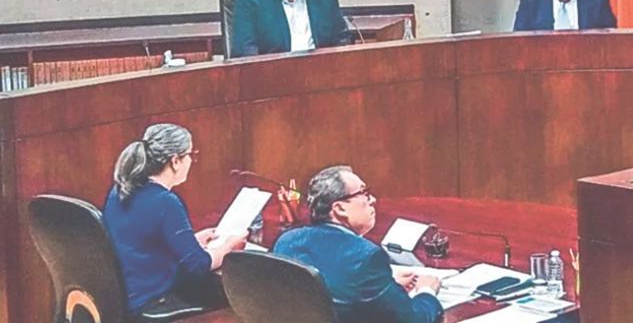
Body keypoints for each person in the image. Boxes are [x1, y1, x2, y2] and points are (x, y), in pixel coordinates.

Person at [103, 123, 246, 316]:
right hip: (153, 299)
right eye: (189, 155)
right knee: (238, 301)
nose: (191, 161)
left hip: (128, 296)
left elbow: (142, 243)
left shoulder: (120, 190)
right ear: (175, 161)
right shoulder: (165, 202)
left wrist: (192, 241)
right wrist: (229, 246)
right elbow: (199, 265)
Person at [273, 166, 443, 323]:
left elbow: (331, 291)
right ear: (340, 209)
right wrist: (426, 291)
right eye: (364, 193)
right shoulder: (365, 256)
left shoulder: (287, 241)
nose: (373, 200)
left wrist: (388, 286)